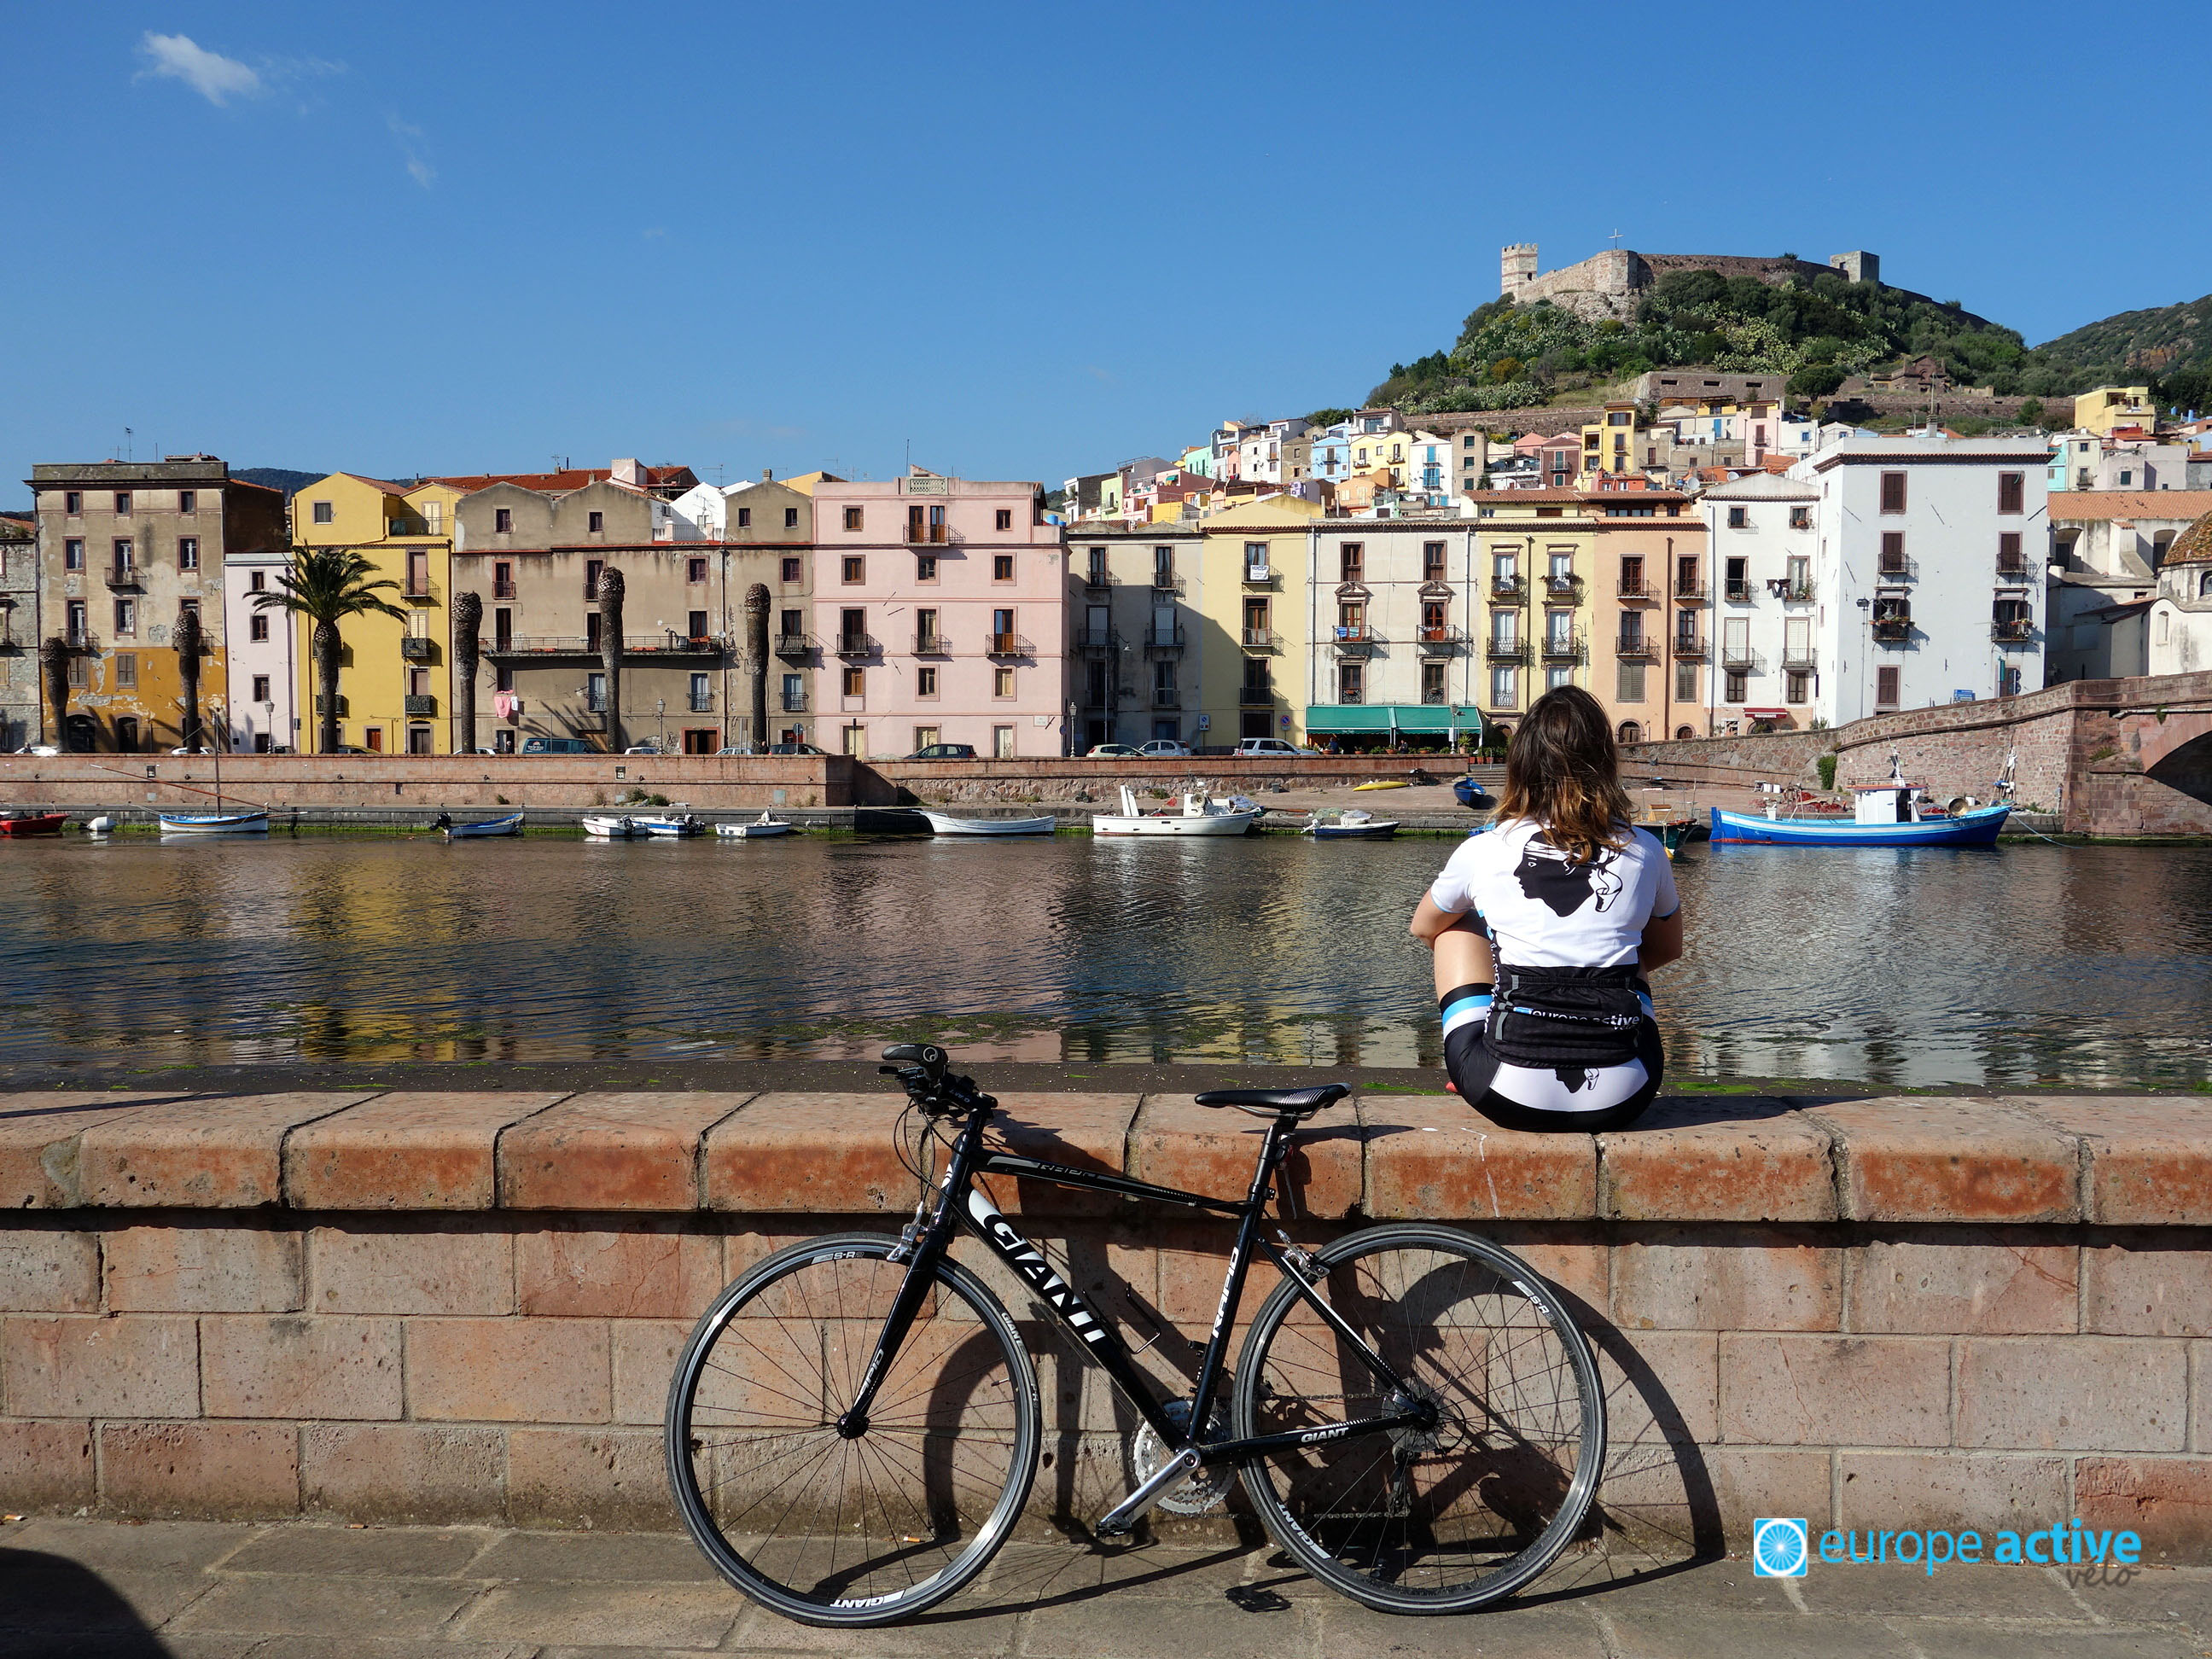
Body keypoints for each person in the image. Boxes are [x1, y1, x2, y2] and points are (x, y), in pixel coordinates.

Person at [1408, 685, 1681, 1132]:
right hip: (1630, 1092)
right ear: (1605, 763)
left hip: (1505, 1094)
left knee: (1455, 930)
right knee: (1626, 950)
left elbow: (1424, 928)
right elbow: (1669, 948)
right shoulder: (1646, 850)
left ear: (1522, 762)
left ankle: (1487, 1040)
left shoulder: (1485, 848)